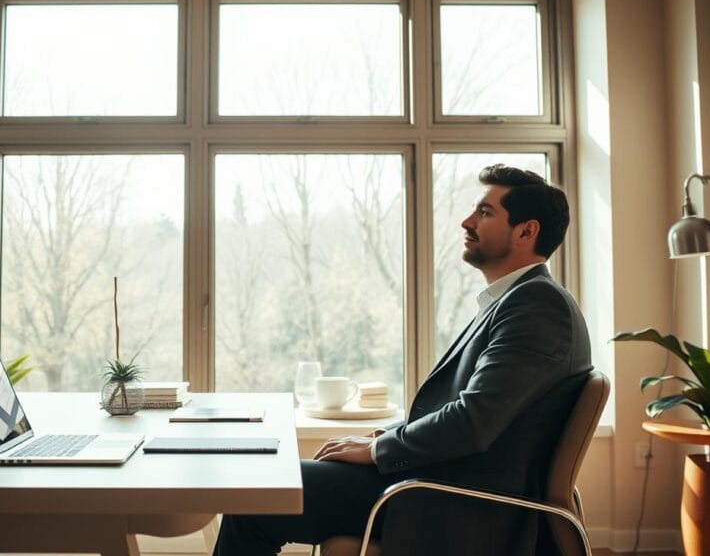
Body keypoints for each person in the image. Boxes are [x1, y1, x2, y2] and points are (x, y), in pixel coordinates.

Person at [213, 165, 593, 556]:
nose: (467, 221)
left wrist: (379, 451)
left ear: (526, 231)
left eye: (484, 212)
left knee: (255, 496)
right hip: (437, 484)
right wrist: (379, 440)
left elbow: (474, 421)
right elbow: (464, 412)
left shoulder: (537, 306)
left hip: (454, 503)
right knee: (264, 487)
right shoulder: (516, 301)